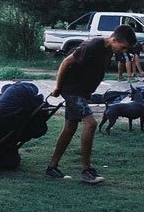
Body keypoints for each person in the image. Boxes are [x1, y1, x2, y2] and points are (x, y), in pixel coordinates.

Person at [46, 24, 138, 183]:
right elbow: (66, 62)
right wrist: (58, 87)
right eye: (123, 47)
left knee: (70, 126)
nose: (123, 51)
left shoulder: (110, 49)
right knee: (90, 123)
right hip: (71, 90)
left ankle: (51, 167)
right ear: (114, 40)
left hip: (81, 92)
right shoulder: (91, 46)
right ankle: (86, 171)